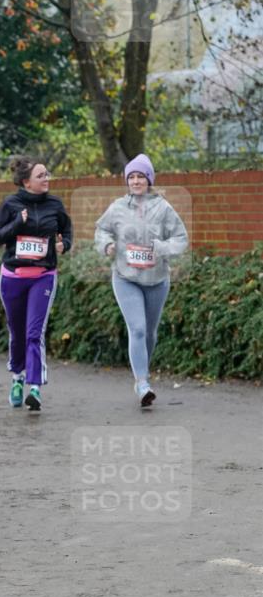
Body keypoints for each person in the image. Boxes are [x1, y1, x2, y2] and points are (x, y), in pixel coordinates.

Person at [95, 154, 188, 407]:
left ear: (149, 180)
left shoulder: (163, 208)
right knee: (136, 328)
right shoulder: (117, 207)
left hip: (157, 278)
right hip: (126, 277)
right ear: (127, 181)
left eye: (141, 176)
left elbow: (181, 238)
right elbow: (101, 230)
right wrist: (108, 245)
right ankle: (142, 383)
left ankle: (141, 373)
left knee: (150, 333)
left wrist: (163, 248)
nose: (136, 181)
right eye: (132, 177)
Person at [0, 155, 72, 411]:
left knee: (34, 333)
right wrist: (17, 223)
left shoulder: (55, 205)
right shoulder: (11, 203)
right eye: (41, 176)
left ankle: (35, 387)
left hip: (43, 276)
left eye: (47, 174)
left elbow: (67, 230)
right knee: (18, 332)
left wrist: (64, 244)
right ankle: (17, 377)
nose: (46, 179)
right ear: (26, 182)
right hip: (13, 277)